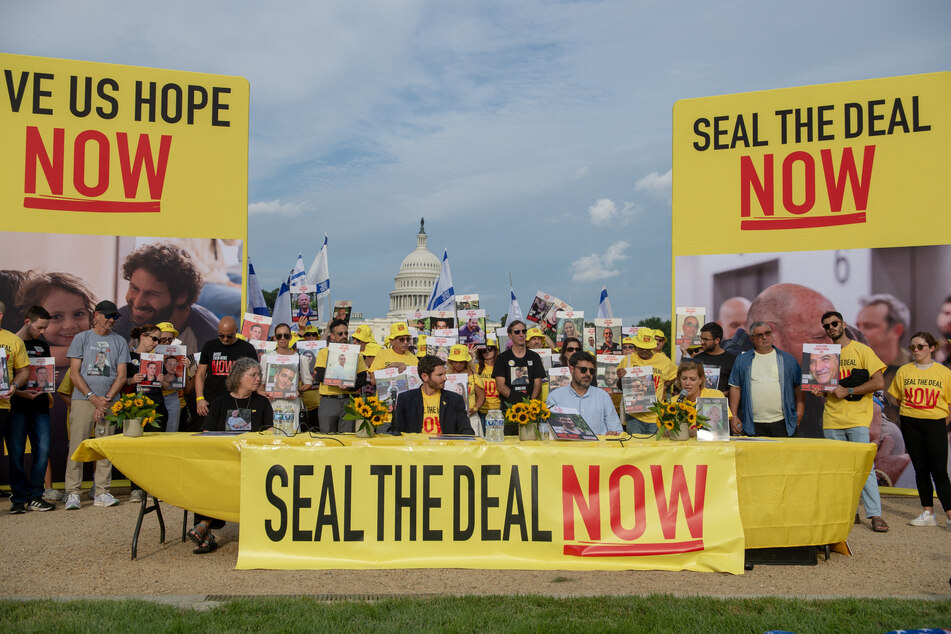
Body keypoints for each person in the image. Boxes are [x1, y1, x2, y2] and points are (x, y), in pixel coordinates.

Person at [815, 311, 889, 533]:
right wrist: (819, 390)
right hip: (831, 418)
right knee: (837, 469)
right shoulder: (823, 355)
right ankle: (848, 512)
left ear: (843, 324)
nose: (831, 328)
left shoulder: (862, 350)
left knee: (864, 467)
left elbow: (879, 382)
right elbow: (822, 386)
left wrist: (849, 390)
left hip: (857, 418)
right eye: (827, 326)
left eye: (834, 323)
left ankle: (875, 514)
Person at [194, 358, 273, 554]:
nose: (258, 379)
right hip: (224, 459)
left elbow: (270, 432)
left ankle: (205, 528)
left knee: (225, 480)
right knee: (208, 479)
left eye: (259, 375)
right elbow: (206, 433)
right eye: (253, 375)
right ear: (238, 377)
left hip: (252, 462)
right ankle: (206, 532)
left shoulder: (262, 402)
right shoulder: (221, 402)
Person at [63, 300, 131, 511]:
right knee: (77, 445)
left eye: (115, 317)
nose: (111, 320)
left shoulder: (119, 341)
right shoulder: (81, 338)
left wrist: (106, 399)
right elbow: (74, 372)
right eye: (108, 316)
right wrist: (93, 397)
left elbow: (122, 375)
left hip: (110, 401)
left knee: (105, 447)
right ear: (96, 315)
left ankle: (102, 491)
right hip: (83, 400)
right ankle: (73, 492)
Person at [886, 331, 951, 530]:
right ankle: (927, 513)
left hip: (935, 424)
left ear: (931, 348)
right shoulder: (904, 371)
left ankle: (949, 516)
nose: (916, 350)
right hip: (910, 423)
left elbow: (949, 402)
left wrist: (942, 423)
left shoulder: (944, 373)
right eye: (913, 346)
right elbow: (896, 397)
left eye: (920, 346)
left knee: (939, 471)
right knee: (920, 469)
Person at [112, 242, 217, 355]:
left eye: (152, 294)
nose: (138, 303)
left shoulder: (211, 338)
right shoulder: (118, 324)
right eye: (134, 288)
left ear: (181, 297)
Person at [6, 304, 51, 513]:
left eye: (45, 328)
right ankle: (18, 499)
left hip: (40, 405)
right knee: (16, 453)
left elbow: (44, 374)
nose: (42, 332)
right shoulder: (12, 343)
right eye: (40, 327)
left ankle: (36, 495)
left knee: (42, 451)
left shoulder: (43, 345)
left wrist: (49, 379)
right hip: (16, 405)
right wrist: (20, 392)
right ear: (27, 322)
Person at [728, 321, 803, 438]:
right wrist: (734, 416)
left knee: (783, 456)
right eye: (759, 335)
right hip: (753, 424)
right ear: (752, 339)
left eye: (767, 333)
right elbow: (735, 388)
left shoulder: (788, 359)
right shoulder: (742, 360)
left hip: (783, 423)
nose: (764, 337)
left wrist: (800, 412)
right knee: (756, 456)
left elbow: (798, 386)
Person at [124, 324, 170, 501]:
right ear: (143, 336)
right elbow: (121, 381)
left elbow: (166, 385)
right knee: (136, 449)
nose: (157, 343)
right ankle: (136, 488)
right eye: (155, 339)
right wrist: (131, 379)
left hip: (157, 406)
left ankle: (154, 488)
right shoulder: (129, 356)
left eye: (159, 340)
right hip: (135, 408)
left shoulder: (158, 358)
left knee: (156, 449)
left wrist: (161, 381)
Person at [195, 316, 259, 420]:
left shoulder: (247, 348)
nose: (225, 339)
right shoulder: (209, 346)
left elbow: (255, 376)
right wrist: (199, 398)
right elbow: (201, 374)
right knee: (209, 434)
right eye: (221, 335)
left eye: (229, 336)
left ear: (236, 331)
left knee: (239, 433)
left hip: (239, 402)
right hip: (212, 402)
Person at [615, 329, 677, 435]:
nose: (644, 350)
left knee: (654, 450)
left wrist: (666, 385)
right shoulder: (627, 360)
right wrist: (621, 378)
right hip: (634, 416)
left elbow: (675, 374)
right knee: (634, 449)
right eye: (641, 347)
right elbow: (621, 387)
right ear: (636, 345)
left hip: (656, 417)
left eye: (647, 348)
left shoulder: (664, 361)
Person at [393, 355, 473, 434]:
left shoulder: (455, 399)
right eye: (440, 375)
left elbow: (466, 430)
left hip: (444, 446)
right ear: (425, 377)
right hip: (417, 446)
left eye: (444, 374)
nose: (445, 378)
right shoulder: (406, 399)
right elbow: (395, 430)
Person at [547, 351, 621, 436]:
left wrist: (613, 434)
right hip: (567, 447)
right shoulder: (555, 397)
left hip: (599, 447)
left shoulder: (603, 396)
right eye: (583, 370)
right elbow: (550, 431)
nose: (588, 374)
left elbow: (616, 429)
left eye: (592, 371)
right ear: (571, 369)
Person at [314, 319, 368, 432]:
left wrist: (349, 386)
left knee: (347, 437)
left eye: (346, 333)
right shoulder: (323, 352)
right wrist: (338, 382)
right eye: (340, 334)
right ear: (332, 336)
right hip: (329, 400)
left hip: (348, 399)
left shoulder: (356, 354)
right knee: (327, 436)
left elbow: (362, 377)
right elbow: (319, 375)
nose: (344, 336)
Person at [493, 320, 545, 433]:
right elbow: (500, 386)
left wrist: (529, 404)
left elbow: (537, 384)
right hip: (509, 409)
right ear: (510, 335)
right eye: (517, 332)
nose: (521, 334)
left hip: (530, 410)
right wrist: (517, 402)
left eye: (523, 331)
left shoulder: (535, 357)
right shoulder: (502, 358)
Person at [686, 323, 735, 392]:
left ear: (717, 340)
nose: (702, 342)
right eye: (701, 338)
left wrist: (721, 395)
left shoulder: (731, 359)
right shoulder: (697, 359)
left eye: (705, 339)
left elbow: (736, 387)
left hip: (722, 401)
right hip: (700, 401)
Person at [472, 340, 501, 428]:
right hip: (481, 411)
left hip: (498, 411)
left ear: (495, 350)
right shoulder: (477, 367)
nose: (487, 351)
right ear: (480, 352)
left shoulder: (501, 367)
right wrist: (473, 356)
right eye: (484, 350)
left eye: (490, 348)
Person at [446, 344, 477, 416]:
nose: (458, 364)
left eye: (461, 361)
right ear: (451, 361)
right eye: (455, 361)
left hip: (470, 415)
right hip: (450, 415)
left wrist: (475, 408)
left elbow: (481, 396)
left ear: (466, 361)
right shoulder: (444, 375)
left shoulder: (473, 376)